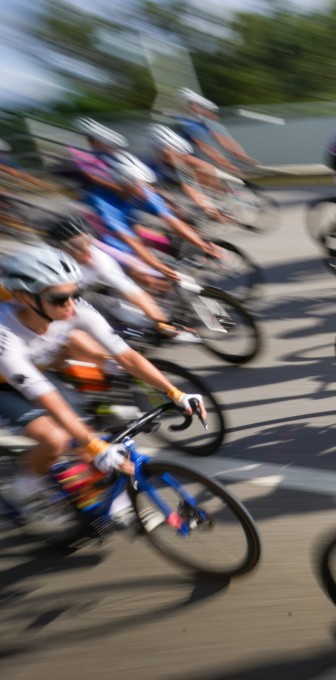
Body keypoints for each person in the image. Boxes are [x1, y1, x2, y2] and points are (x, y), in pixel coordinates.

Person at [0, 245, 205, 525]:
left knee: (86, 430)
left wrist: (175, 393)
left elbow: (127, 356)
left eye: (75, 293)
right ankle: (26, 488)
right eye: (60, 298)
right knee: (57, 438)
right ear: (24, 297)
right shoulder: (5, 334)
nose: (71, 305)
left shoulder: (72, 310)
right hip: (5, 384)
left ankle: (112, 505)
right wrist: (95, 447)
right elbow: (46, 396)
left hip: (36, 370)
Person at [70, 118, 219, 284]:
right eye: (137, 187)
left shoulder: (143, 188)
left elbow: (171, 218)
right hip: (102, 223)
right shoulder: (105, 203)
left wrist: (202, 244)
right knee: (140, 271)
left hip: (128, 206)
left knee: (169, 223)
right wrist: (157, 266)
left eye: (143, 186)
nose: (143, 191)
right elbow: (131, 241)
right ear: (124, 185)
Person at [45, 215, 186, 341]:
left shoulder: (97, 258)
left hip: (81, 293)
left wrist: (161, 321)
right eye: (76, 246)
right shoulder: (50, 264)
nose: (86, 250)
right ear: (61, 249)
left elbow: (133, 292)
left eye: (87, 242)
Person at [175, 87, 258, 173]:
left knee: (217, 130)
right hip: (206, 164)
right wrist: (231, 167)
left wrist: (245, 158)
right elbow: (208, 149)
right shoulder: (190, 125)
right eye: (199, 106)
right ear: (192, 107)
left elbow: (226, 141)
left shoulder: (204, 122)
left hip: (219, 161)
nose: (215, 116)